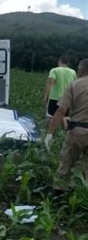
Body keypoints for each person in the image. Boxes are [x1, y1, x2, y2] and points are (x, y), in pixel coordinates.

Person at [45, 58, 88, 191]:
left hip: (78, 131)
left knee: (66, 163)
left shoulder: (75, 85)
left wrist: (50, 132)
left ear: (81, 70)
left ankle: (59, 193)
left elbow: (61, 110)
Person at [43, 56, 77, 121]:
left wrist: (45, 95)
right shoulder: (73, 72)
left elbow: (50, 81)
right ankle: (63, 131)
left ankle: (50, 131)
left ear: (59, 61)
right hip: (66, 100)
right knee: (65, 118)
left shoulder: (54, 70)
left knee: (50, 117)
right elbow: (74, 86)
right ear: (67, 63)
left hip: (54, 98)